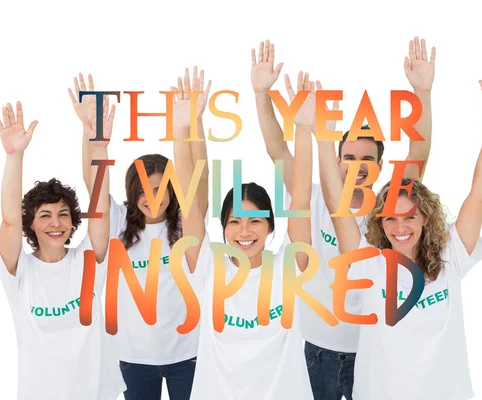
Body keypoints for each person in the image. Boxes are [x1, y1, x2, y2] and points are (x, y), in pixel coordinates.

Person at [318, 62, 482, 400]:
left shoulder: (451, 254)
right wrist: (322, 136)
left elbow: (480, 192)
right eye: (390, 219)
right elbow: (336, 203)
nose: (400, 227)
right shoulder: (368, 265)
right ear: (379, 223)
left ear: (425, 218)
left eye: (410, 217)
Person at [251, 37, 435, 399]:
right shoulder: (313, 196)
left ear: (380, 167)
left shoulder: (390, 211)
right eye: (349, 158)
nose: (357, 167)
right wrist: (261, 94)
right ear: (337, 162)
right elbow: (276, 148)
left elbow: (420, 150)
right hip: (319, 351)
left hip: (374, 349)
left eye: (366, 160)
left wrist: (422, 92)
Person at [172, 67, 316, 399]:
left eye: (255, 221)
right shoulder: (207, 267)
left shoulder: (288, 267)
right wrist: (183, 128)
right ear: (222, 229)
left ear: (270, 228)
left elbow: (301, 196)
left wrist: (304, 129)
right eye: (234, 222)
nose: (244, 231)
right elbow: (189, 200)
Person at [69, 70, 211, 400]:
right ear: (132, 192)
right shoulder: (118, 223)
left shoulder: (184, 225)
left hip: (187, 355)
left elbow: (199, 181)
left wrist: (194, 123)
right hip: (133, 359)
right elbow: (94, 186)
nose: (152, 197)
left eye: (161, 188)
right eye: (143, 189)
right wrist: (92, 137)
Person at [0, 100, 125, 399]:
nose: (56, 223)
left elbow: (101, 209)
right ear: (32, 224)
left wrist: (99, 148)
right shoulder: (20, 271)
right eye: (45, 215)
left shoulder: (88, 261)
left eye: (63, 214)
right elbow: (9, 221)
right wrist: (14, 157)